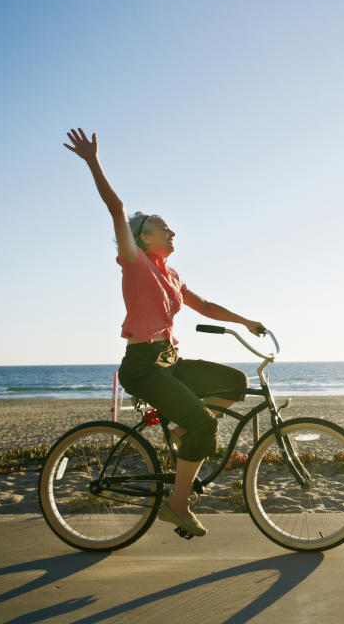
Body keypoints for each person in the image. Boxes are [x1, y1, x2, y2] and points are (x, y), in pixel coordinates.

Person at [64, 128, 265, 537]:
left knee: (235, 381)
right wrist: (92, 161)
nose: (173, 232)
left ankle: (179, 429)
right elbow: (117, 208)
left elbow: (204, 306)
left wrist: (245, 321)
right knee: (206, 428)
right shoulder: (134, 261)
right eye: (164, 228)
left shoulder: (169, 274)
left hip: (169, 364)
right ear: (144, 237)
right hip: (143, 365)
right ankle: (176, 506)